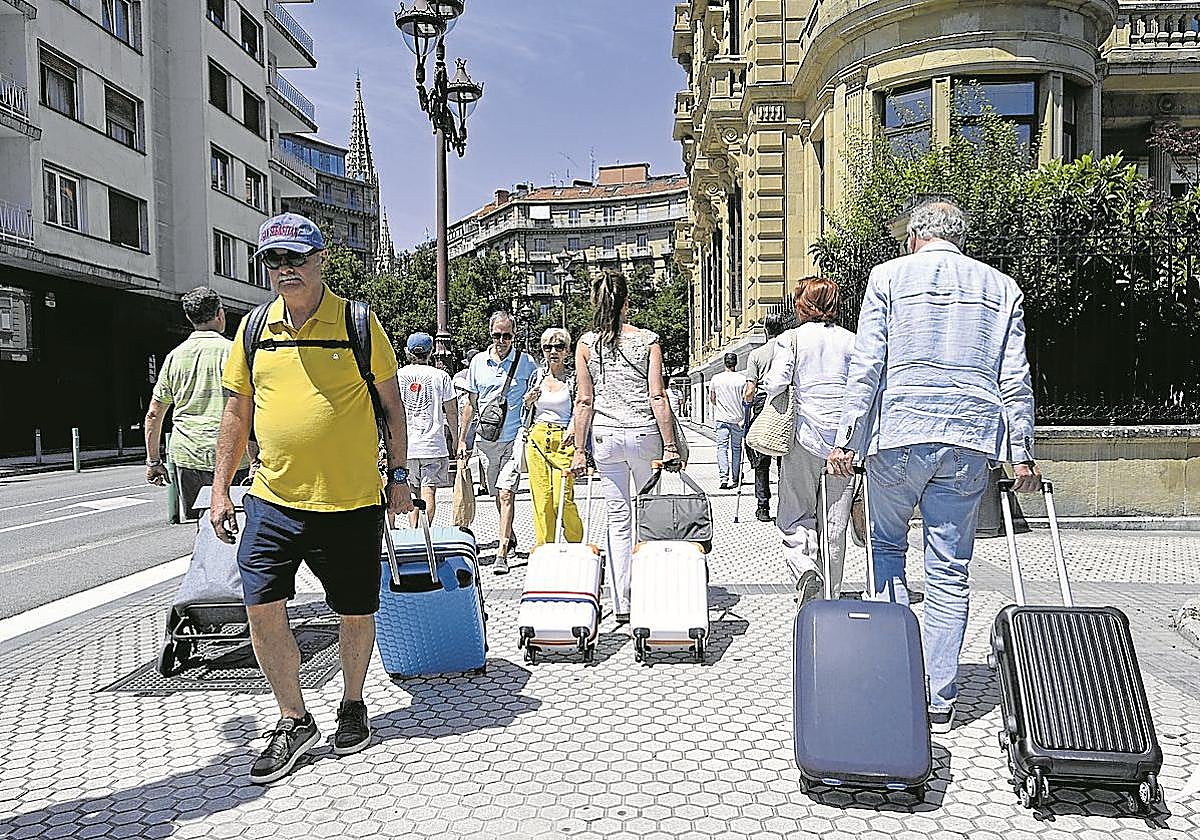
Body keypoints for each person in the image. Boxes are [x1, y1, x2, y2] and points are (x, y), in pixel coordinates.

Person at [209, 212, 414, 784]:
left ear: (321, 259)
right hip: (273, 500)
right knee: (261, 607)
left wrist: (398, 475)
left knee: (355, 611)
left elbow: (392, 407)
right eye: (274, 260)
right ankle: (294, 718)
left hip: (349, 502)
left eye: (296, 257)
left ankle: (352, 703)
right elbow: (236, 412)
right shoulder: (252, 331)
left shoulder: (357, 322)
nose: (285, 269)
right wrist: (222, 488)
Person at [827, 198, 1039, 735]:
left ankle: (896, 681)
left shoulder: (888, 278)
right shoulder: (1001, 287)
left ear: (917, 235)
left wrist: (845, 439)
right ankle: (940, 699)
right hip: (969, 438)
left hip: (898, 433)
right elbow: (1015, 375)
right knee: (950, 568)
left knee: (888, 550)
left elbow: (867, 365)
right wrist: (1021, 452)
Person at [570, 271, 683, 623]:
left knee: (618, 520)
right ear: (627, 303)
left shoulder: (586, 345)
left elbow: (584, 401)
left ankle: (622, 601)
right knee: (647, 516)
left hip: (605, 439)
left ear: (594, 301)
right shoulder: (648, 340)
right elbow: (657, 395)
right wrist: (671, 446)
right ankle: (650, 591)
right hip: (645, 436)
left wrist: (578, 450)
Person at [762, 280, 856, 605]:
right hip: (843, 445)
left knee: (795, 512)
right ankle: (830, 595)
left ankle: (805, 570)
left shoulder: (791, 339)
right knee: (834, 524)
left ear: (802, 305)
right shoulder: (851, 341)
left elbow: (775, 384)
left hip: (804, 438)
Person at [144, 287, 250, 517]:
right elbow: (253, 406)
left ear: (190, 318)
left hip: (188, 455)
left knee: (201, 527)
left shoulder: (175, 357)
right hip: (233, 455)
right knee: (237, 525)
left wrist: (154, 461)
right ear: (220, 314)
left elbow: (154, 412)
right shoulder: (235, 352)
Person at [457, 313, 538, 574]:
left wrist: (532, 401)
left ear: (514, 335)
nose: (502, 340)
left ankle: (502, 551)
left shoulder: (526, 363)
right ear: (490, 334)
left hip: (515, 437)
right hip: (486, 439)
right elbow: (470, 404)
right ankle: (510, 534)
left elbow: (538, 396)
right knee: (495, 492)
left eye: (507, 336)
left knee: (506, 492)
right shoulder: (478, 363)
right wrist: (462, 440)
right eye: (497, 335)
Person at [523, 327, 583, 546]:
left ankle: (576, 542)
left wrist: (574, 427)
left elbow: (582, 406)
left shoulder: (574, 377)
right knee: (542, 500)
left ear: (567, 350)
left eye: (559, 346)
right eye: (548, 347)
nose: (553, 351)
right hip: (537, 439)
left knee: (562, 499)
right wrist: (528, 400)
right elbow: (526, 409)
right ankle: (544, 548)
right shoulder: (536, 376)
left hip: (563, 440)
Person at [396, 332, 458, 528]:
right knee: (429, 491)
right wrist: (456, 438)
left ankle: (413, 533)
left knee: (413, 492)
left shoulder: (398, 375)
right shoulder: (441, 376)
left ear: (408, 352)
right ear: (431, 352)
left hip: (406, 446)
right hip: (433, 445)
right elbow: (451, 411)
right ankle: (425, 533)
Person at [743, 313, 788, 522]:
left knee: (761, 460)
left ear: (765, 330)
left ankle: (762, 507)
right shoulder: (789, 351)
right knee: (783, 459)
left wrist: (747, 402)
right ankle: (786, 505)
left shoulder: (757, 355)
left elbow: (750, 390)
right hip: (785, 404)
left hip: (762, 404)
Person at [708, 353, 747, 490]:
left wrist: (720, 405)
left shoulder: (716, 378)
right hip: (738, 420)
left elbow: (712, 398)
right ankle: (736, 477)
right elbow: (746, 398)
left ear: (724, 363)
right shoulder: (742, 379)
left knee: (721, 448)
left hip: (721, 418)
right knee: (736, 449)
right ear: (736, 363)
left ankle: (723, 478)